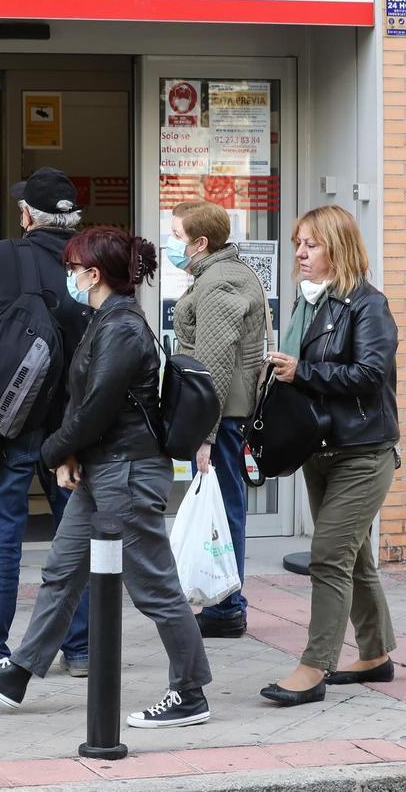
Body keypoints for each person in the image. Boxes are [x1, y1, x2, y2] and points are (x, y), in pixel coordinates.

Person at [0, 227, 213, 729]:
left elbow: (96, 408)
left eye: (73, 268)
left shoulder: (122, 327)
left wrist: (53, 451)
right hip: (104, 469)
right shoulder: (105, 318)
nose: (68, 275)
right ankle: (20, 673)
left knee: (155, 588)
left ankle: (190, 691)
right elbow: (87, 404)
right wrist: (70, 456)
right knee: (62, 571)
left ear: (94, 275)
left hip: (128, 473)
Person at [0, 168, 92, 677]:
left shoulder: (5, 256)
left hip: (11, 419)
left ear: (28, 214)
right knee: (74, 537)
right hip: (73, 428)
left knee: (2, 537)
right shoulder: (93, 261)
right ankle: (81, 649)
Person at [260, 206, 399, 707]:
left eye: (311, 244)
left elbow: (369, 375)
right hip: (318, 450)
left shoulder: (367, 305)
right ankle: (377, 654)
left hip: (362, 452)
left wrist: (302, 372)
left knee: (328, 558)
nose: (299, 252)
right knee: (354, 557)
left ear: (337, 248)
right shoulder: (308, 305)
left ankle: (315, 665)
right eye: (298, 242)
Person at [167, 198, 268, 638]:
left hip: (223, 417)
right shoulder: (222, 273)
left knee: (222, 511)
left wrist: (203, 433)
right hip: (226, 415)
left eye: (177, 237)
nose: (172, 244)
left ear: (200, 242)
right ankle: (224, 602)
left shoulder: (219, 283)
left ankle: (226, 608)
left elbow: (214, 362)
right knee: (224, 509)